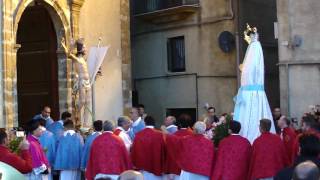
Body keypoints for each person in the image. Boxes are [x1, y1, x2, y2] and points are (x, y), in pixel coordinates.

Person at [233, 24, 275, 143]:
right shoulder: (254, 52)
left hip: (253, 91)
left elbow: (253, 70)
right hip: (250, 91)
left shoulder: (255, 50)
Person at [61, 38, 92, 128]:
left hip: (88, 82)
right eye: (84, 47)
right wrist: (71, 45)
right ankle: (76, 117)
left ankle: (85, 124)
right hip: (82, 82)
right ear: (81, 49)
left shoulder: (83, 59)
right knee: (82, 102)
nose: (86, 49)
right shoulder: (76, 59)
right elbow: (68, 54)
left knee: (88, 103)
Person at [164, 114, 193, 180]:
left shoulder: (172, 136)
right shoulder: (193, 135)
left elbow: (169, 153)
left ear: (179, 123)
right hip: (189, 169)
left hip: (175, 168)